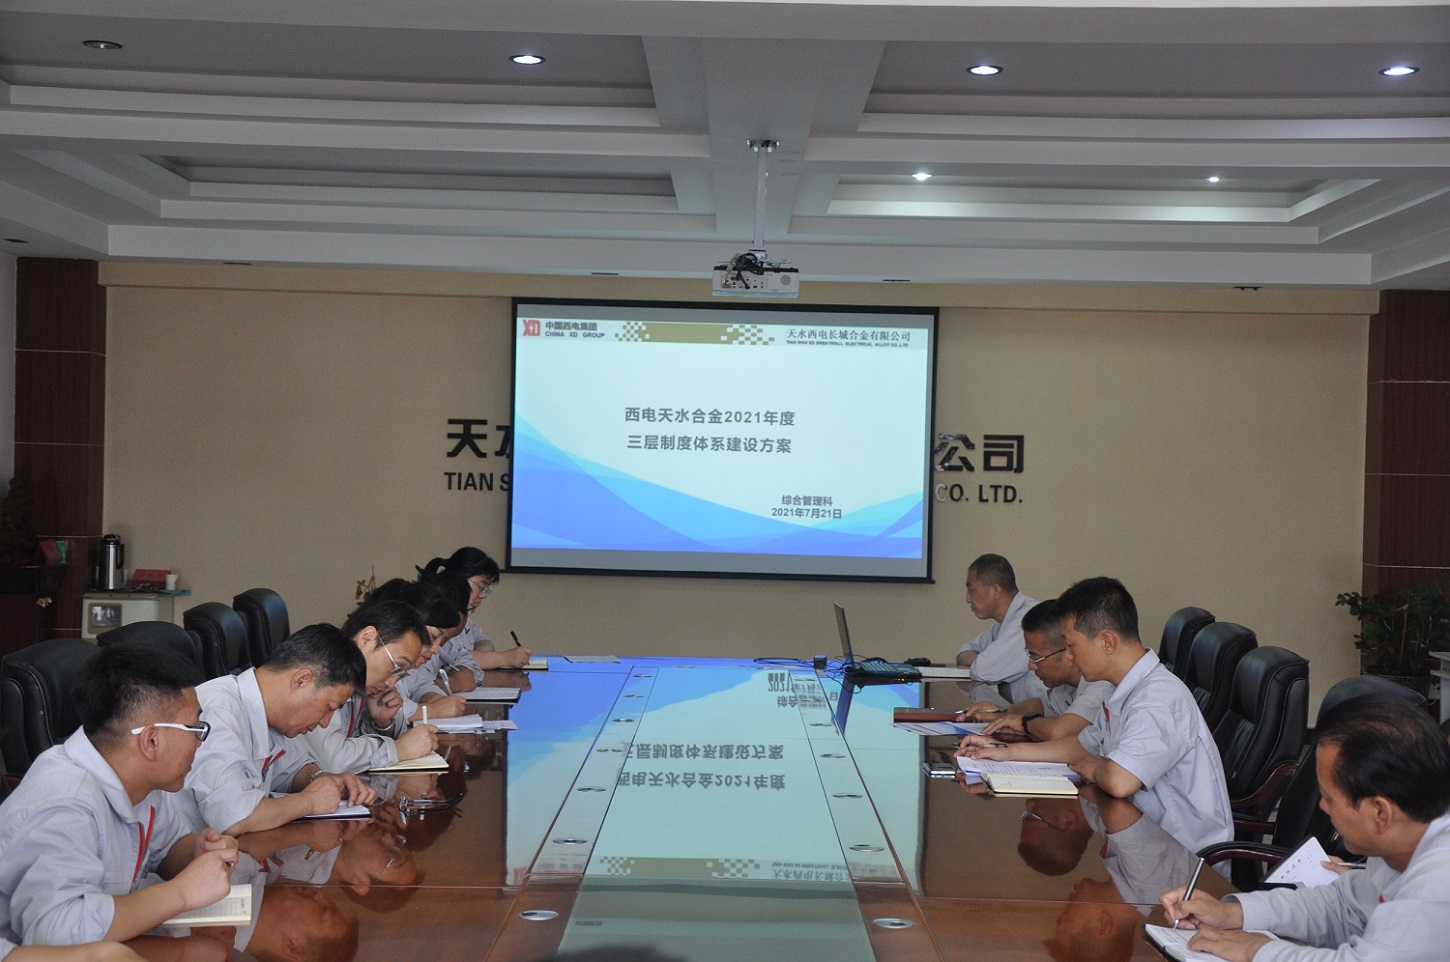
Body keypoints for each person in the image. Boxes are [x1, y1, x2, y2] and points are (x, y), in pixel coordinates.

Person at [1161, 697, 1450, 962]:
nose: (1323, 807)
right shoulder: (1401, 841)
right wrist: (1232, 913)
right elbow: (1342, 907)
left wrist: (1255, 950)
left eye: (1328, 797)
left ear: (1380, 812)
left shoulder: (1436, 885)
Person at [958, 577, 1232, 853]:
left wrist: (1098, 767)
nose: (1069, 658)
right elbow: (1082, 746)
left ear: (1107, 642)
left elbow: (1119, 780)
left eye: (1072, 646)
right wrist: (1005, 752)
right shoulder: (1121, 690)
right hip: (1140, 842)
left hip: (1183, 859)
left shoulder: (1157, 698)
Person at [0, 644, 238, 945]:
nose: (199, 742)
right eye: (195, 729)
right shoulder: (65, 804)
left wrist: (196, 853)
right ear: (151, 741)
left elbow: (168, 847)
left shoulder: (138, 778)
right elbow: (58, 932)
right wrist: (181, 893)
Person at [183, 624, 378, 836]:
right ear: (301, 680)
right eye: (329, 708)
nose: (325, 722)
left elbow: (294, 768)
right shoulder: (220, 711)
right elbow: (235, 817)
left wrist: (324, 780)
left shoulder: (272, 714)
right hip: (185, 852)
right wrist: (310, 801)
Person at [294, 598, 438, 773]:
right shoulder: (323, 672)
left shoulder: (362, 684)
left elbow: (357, 738)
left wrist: (382, 723)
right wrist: (399, 749)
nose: (392, 682)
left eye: (401, 673)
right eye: (396, 667)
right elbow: (333, 761)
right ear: (367, 638)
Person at [962, 598, 1113, 742]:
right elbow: (1040, 705)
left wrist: (1025, 723)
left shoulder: (1101, 684)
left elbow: (1058, 732)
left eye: (1037, 658)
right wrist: (1000, 712)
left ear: (1069, 651)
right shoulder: (1066, 685)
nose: (1031, 665)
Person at [954, 554, 1046, 705]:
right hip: (1021, 711)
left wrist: (982, 662)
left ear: (995, 591)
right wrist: (984, 659)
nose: (968, 599)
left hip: (1047, 714)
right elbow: (964, 651)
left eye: (972, 590)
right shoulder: (1004, 624)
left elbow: (983, 671)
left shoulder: (1027, 620)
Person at [418, 548, 532, 670]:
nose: (483, 595)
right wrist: (503, 658)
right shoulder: (438, 615)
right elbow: (453, 658)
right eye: (481, 586)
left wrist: (482, 656)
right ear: (460, 577)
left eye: (486, 589)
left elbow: (484, 641)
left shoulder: (464, 617)